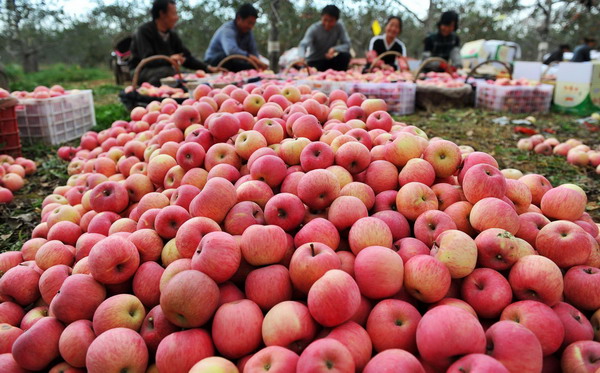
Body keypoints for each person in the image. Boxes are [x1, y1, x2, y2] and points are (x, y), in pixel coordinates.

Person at [129, 0, 217, 86]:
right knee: (168, 73)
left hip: (165, 70)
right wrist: (169, 59)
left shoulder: (172, 35)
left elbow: (187, 58)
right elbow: (148, 60)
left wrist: (207, 68)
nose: (177, 17)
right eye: (174, 13)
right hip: (141, 70)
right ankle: (152, 95)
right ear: (162, 14)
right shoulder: (144, 31)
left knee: (188, 76)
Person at [204, 3, 268, 72]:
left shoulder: (248, 32)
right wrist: (250, 56)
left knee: (252, 67)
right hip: (214, 62)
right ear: (239, 18)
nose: (251, 27)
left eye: (253, 24)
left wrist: (258, 62)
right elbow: (231, 51)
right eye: (249, 23)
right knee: (227, 58)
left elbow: (253, 52)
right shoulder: (228, 29)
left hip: (234, 62)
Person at [297, 5, 352, 72]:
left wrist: (334, 49)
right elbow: (303, 44)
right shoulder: (314, 29)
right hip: (315, 62)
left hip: (329, 61)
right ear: (321, 17)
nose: (327, 24)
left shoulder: (339, 26)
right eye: (325, 20)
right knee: (310, 69)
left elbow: (347, 44)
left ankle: (339, 76)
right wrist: (301, 57)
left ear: (336, 20)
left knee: (345, 56)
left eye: (331, 21)